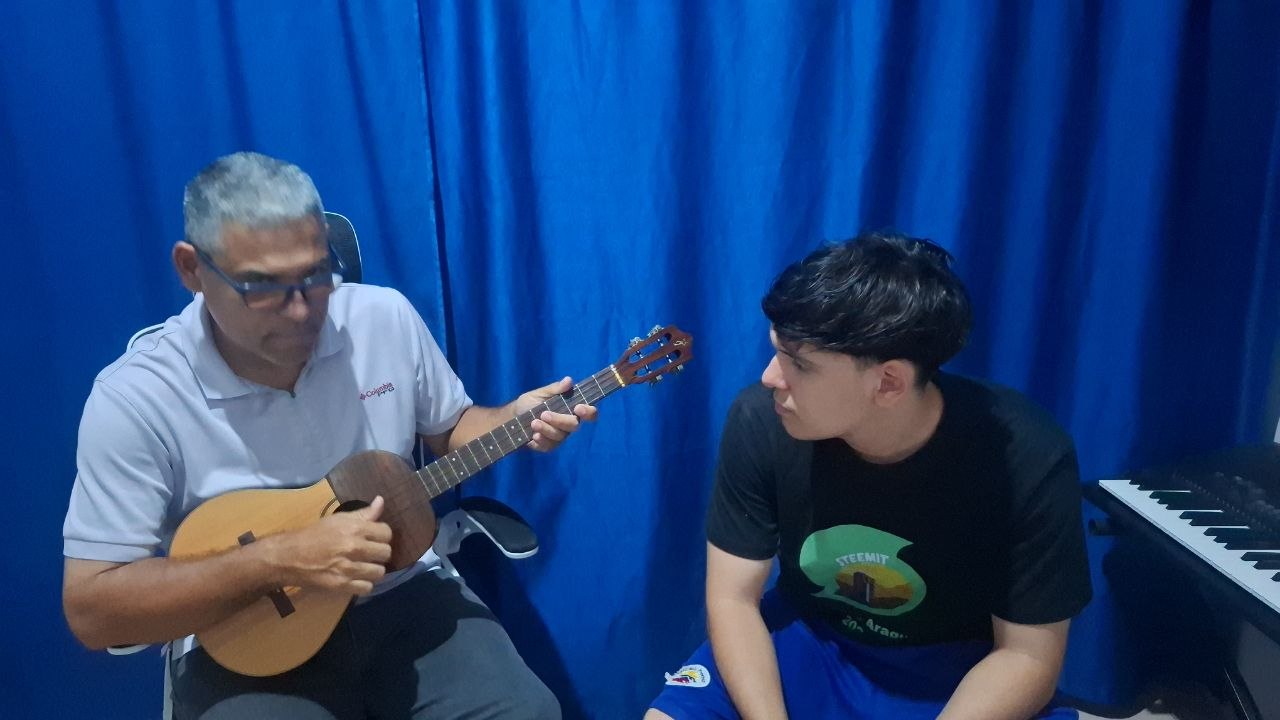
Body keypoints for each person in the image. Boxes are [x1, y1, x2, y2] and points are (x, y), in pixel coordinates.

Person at [62, 151, 595, 719]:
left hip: (400, 591)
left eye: (316, 276)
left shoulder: (383, 319)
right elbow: (93, 609)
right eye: (262, 286)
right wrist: (280, 561)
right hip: (247, 631)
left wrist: (515, 419)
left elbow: (453, 429)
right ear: (192, 269)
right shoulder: (137, 398)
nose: (300, 312)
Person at [648, 233, 1091, 719]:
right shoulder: (762, 419)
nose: (770, 377)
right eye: (776, 350)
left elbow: (1028, 655)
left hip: (958, 666)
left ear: (888, 382)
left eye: (799, 363)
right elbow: (733, 601)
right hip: (809, 636)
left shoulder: (1025, 455)